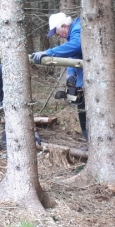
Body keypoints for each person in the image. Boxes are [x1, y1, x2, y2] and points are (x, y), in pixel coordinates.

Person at [31, 12, 88, 141]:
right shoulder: (73, 32)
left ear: (63, 26)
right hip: (83, 79)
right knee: (82, 109)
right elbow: (74, 57)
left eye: (57, 32)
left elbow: (76, 46)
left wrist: (48, 52)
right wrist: (70, 74)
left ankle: (93, 142)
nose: (57, 35)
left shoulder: (78, 29)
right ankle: (89, 141)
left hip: (92, 78)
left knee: (88, 111)